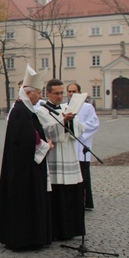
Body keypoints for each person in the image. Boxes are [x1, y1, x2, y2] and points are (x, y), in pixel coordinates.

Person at [0, 65, 53, 251]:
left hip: (27, 165)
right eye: (38, 93)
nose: (40, 97)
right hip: (23, 167)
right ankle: (24, 237)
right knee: (24, 200)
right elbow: (25, 141)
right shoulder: (19, 111)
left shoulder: (26, 110)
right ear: (29, 92)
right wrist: (45, 146)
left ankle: (33, 235)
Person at [38, 79, 85, 241]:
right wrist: (63, 122)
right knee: (57, 197)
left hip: (70, 155)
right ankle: (57, 230)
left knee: (72, 195)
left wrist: (71, 121)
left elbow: (80, 129)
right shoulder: (41, 111)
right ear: (48, 93)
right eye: (56, 93)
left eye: (61, 93)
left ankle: (72, 229)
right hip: (55, 157)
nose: (60, 96)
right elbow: (47, 132)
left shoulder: (67, 108)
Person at [67, 83, 99, 211]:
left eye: (74, 91)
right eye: (69, 91)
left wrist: (78, 130)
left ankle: (85, 202)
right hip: (69, 146)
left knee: (83, 176)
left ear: (79, 92)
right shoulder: (65, 107)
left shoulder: (88, 107)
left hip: (81, 146)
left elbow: (94, 123)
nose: (71, 94)